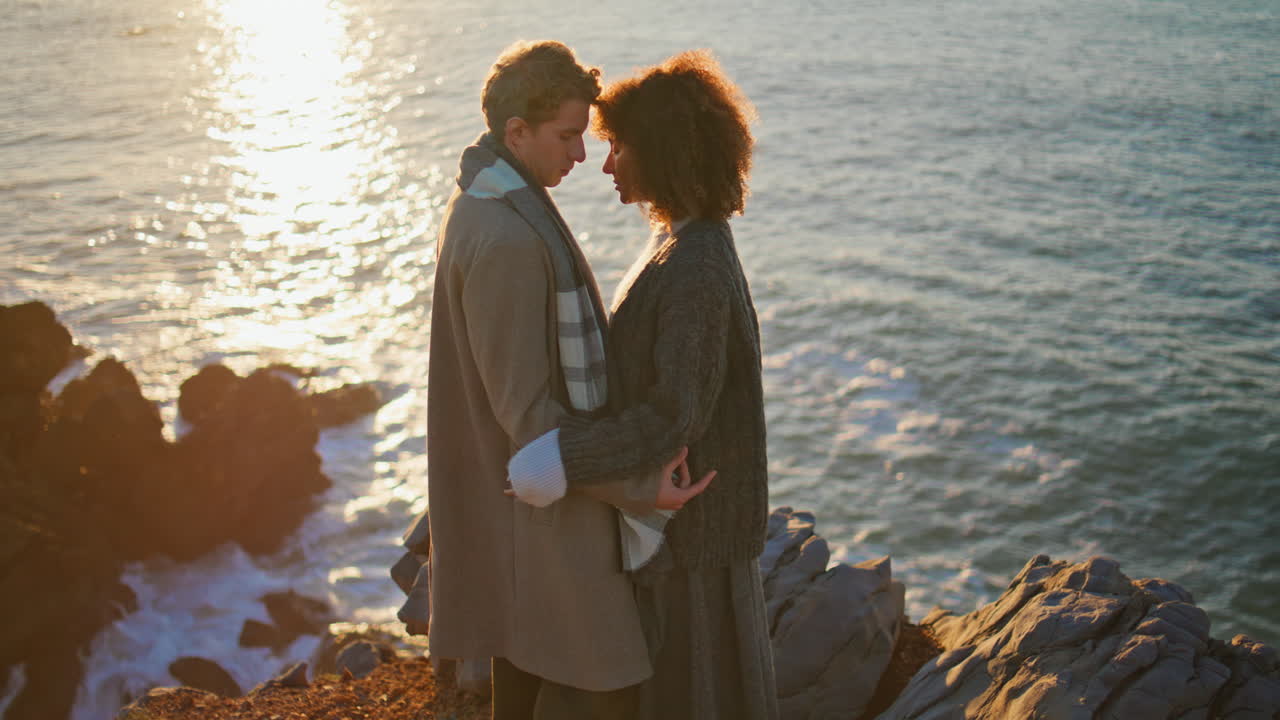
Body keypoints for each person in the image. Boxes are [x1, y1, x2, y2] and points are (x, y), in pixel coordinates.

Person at [421, 40, 708, 719]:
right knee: (613, 689)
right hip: (542, 524)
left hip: (518, 517)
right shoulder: (507, 240)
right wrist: (643, 490)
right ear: (515, 132)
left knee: (521, 682)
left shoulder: (490, 200)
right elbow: (531, 420)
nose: (581, 155)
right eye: (567, 136)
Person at [507, 50, 778, 719]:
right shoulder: (682, 244)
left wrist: (561, 458)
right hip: (677, 536)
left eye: (619, 148)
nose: (605, 164)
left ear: (658, 153)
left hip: (694, 554)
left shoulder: (695, 267)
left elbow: (672, 417)